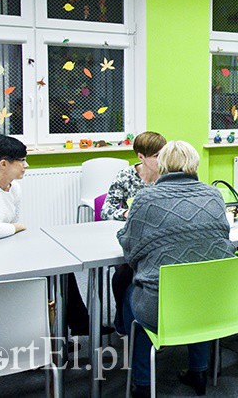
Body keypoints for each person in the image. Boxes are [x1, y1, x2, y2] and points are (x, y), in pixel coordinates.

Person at [0, 134, 107, 337]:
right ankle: (57, 330)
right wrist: (16, 227)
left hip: (1, 248)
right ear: (3, 164)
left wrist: (14, 228)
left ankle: (74, 326)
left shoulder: (14, 187)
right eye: (22, 160)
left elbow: (7, 227)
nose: (26, 165)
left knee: (61, 264)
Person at [118, 140, 234, 398]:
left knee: (131, 296)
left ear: (162, 165)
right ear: (194, 164)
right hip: (214, 304)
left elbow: (131, 251)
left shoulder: (146, 198)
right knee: (198, 286)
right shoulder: (214, 195)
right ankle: (199, 371)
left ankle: (142, 383)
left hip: (162, 308)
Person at [100, 131, 167, 334]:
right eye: (156, 156)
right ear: (141, 157)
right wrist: (128, 212)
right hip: (133, 238)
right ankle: (122, 317)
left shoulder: (168, 176)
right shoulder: (126, 176)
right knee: (123, 271)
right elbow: (106, 210)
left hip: (160, 239)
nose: (161, 160)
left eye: (163, 154)